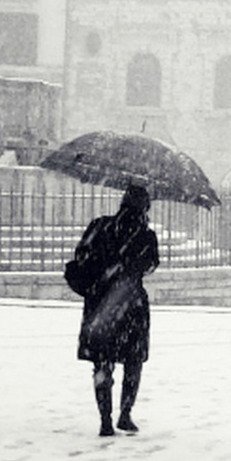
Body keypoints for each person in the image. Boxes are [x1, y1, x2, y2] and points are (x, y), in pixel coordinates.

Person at [65, 184, 160, 436]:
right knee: (133, 362)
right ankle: (125, 415)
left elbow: (81, 256)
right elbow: (149, 266)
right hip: (131, 305)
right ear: (145, 207)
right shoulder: (145, 236)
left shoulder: (99, 226)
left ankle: (105, 420)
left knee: (102, 364)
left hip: (101, 303)